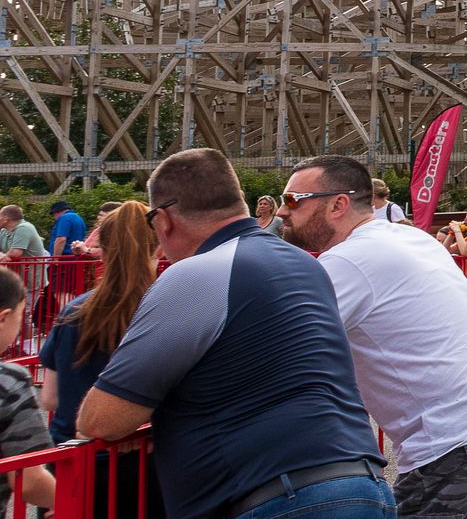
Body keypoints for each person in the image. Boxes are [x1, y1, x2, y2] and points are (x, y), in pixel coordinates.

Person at [75, 147, 392, 519]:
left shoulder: (197, 274)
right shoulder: (305, 265)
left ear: (163, 220)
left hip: (275, 497)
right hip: (361, 482)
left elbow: (104, 419)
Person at [277, 155, 467, 519]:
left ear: (338, 204)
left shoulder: (346, 261)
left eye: (293, 200)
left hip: (457, 440)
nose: (281, 211)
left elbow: (283, 352)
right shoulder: (407, 237)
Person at [38, 200, 162, 518]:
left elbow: (50, 399)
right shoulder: (166, 309)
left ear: (101, 250)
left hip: (70, 465)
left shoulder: (72, 312)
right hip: (142, 472)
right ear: (159, 246)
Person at [0, 267, 56, 514]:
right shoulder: (10, 381)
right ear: (4, 317)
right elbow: (28, 481)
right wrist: (66, 497)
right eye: (20, 317)